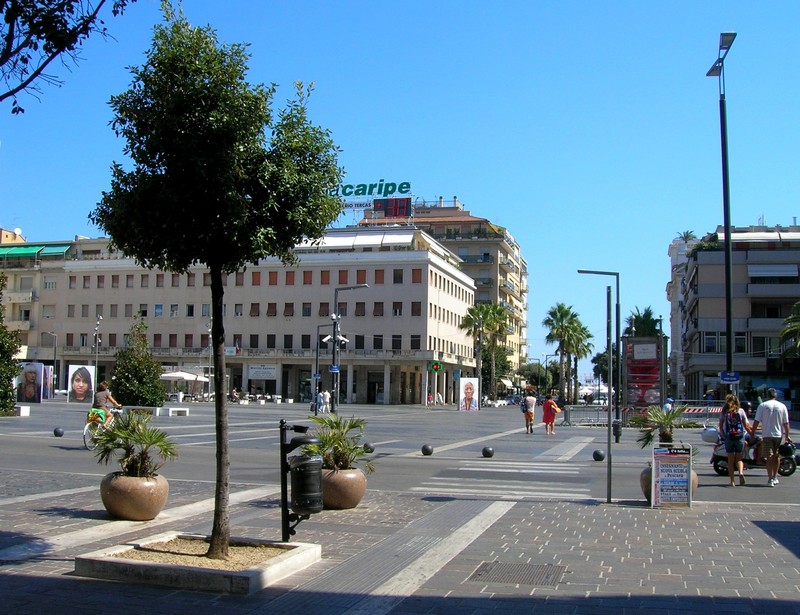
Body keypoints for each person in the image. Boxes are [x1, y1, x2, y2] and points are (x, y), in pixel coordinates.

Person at [752, 388, 791, 487]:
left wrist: (752, 433)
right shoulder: (782, 406)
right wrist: (787, 436)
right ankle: (775, 476)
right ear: (775, 395)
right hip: (778, 435)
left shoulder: (763, 405)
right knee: (777, 456)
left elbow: (756, 421)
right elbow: (786, 423)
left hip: (767, 434)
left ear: (767, 395)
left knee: (769, 456)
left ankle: (770, 479)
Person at [717, 393, 751, 487]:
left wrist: (724, 436)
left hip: (729, 437)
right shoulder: (741, 411)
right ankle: (740, 472)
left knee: (730, 461)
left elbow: (720, 426)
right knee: (739, 459)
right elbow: (746, 426)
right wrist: (751, 434)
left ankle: (732, 481)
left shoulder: (724, 412)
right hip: (740, 437)